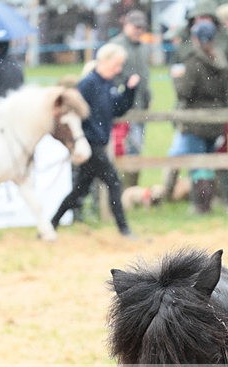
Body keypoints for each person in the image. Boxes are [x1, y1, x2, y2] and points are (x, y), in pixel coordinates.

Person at [51, 43, 140, 238]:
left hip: (97, 143)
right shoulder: (88, 84)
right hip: (90, 144)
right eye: (116, 64)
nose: (119, 69)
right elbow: (77, 115)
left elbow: (118, 108)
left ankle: (52, 223)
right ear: (105, 61)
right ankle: (123, 229)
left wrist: (130, 90)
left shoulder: (107, 84)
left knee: (79, 190)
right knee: (114, 182)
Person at [168, 19, 228, 213]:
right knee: (209, 164)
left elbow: (184, 92)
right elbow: (225, 92)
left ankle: (200, 206)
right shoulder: (220, 61)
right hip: (215, 119)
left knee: (197, 165)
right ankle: (208, 204)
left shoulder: (194, 62)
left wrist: (177, 79)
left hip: (195, 121)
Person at [110, 9, 152, 188]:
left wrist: (148, 96)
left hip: (140, 107)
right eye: (135, 27)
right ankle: (118, 190)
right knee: (120, 150)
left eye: (141, 27)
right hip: (122, 107)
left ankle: (130, 190)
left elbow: (145, 76)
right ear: (126, 25)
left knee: (136, 149)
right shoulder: (116, 46)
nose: (138, 30)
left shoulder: (143, 48)